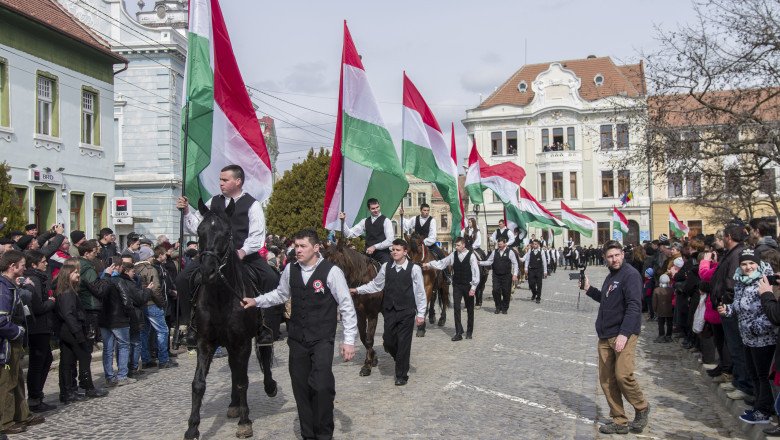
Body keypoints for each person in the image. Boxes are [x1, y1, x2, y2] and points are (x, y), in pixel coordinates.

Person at [242, 229, 356, 440]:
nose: (298, 250)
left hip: (322, 338)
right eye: (296, 246)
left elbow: (347, 306)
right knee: (301, 388)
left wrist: (348, 341)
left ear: (316, 247)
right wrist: (256, 301)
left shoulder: (331, 272)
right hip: (297, 339)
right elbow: (280, 294)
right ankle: (308, 435)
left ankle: (324, 433)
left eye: (303, 246)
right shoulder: (290, 270)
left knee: (322, 387)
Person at [177, 164, 278, 347]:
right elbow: (195, 227)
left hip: (243, 255)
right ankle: (189, 324)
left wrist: (243, 251)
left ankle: (265, 327)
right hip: (213, 254)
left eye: (225, 180)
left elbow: (257, 236)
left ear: (238, 181)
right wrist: (185, 212)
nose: (221, 183)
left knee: (270, 278)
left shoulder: (252, 204)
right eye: (220, 180)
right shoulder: (212, 202)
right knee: (183, 278)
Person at [582, 240, 649, 434]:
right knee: (607, 380)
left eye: (617, 255)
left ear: (622, 254)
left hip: (623, 334)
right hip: (605, 334)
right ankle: (619, 419)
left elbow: (634, 306)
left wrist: (624, 334)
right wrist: (589, 289)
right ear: (605, 258)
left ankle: (642, 407)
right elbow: (606, 298)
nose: (614, 259)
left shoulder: (630, 275)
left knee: (623, 375)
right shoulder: (612, 276)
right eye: (610, 257)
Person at [350, 238, 426, 385]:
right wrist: (357, 289)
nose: (394, 252)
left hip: (406, 311)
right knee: (389, 342)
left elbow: (420, 293)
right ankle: (401, 359)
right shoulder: (386, 267)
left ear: (405, 252)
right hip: (390, 310)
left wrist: (421, 314)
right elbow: (376, 285)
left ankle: (401, 375)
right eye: (392, 250)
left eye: (397, 250)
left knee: (404, 343)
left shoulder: (414, 269)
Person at [717, 248, 776, 424]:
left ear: (758, 264)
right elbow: (738, 306)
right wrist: (727, 310)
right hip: (747, 338)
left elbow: (769, 312)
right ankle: (758, 406)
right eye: (744, 263)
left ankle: (764, 411)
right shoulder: (741, 281)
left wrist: (754, 328)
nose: (748, 267)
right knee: (754, 374)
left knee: (763, 376)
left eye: (751, 263)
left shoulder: (765, 281)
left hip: (763, 339)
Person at [0, 250, 46, 435]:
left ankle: (22, 414)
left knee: (17, 379)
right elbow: (1, 320)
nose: (25, 268)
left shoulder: (10, 285)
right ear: (12, 266)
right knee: (6, 382)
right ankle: (5, 422)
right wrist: (17, 331)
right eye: (22, 265)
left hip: (13, 343)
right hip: (6, 344)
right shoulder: (3, 288)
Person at [53, 259, 108, 404]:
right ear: (68, 275)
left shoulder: (68, 291)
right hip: (71, 330)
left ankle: (67, 392)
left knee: (67, 360)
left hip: (69, 329)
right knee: (84, 356)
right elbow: (68, 314)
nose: (78, 275)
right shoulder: (67, 293)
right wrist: (78, 333)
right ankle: (86, 386)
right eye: (76, 272)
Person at [424, 237, 479, 340]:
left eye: (458, 245)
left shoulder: (471, 256)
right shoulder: (453, 255)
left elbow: (476, 272)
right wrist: (428, 264)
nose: (456, 247)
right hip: (457, 285)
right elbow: (442, 263)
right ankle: (458, 332)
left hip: (468, 285)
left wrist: (473, 287)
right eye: (455, 245)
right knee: (456, 308)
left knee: (470, 309)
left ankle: (469, 331)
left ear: (463, 245)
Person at [22, 251, 56, 413]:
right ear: (34, 264)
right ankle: (34, 398)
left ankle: (37, 396)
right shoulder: (34, 280)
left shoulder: (39, 278)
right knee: (38, 363)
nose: (46, 263)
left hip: (42, 326)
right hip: (37, 327)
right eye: (43, 261)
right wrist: (51, 302)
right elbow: (38, 307)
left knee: (46, 359)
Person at [339, 198, 395, 265]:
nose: (376, 210)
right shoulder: (364, 221)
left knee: (387, 270)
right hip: (367, 254)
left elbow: (390, 240)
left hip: (382, 254)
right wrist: (343, 221)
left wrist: (375, 247)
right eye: (373, 208)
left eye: (377, 207)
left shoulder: (386, 221)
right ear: (369, 209)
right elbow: (349, 234)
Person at [479, 237, 518, 314]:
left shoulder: (510, 252)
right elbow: (489, 262)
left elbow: (515, 263)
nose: (499, 246)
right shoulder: (494, 252)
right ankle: (498, 306)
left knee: (506, 292)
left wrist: (515, 274)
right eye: (498, 244)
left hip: (506, 276)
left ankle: (505, 308)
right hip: (496, 275)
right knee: (495, 291)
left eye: (500, 244)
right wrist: (480, 262)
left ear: (504, 243)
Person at [652, 274, 673, 342]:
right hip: (670, 310)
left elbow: (654, 302)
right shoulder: (671, 290)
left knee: (661, 323)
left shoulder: (656, 290)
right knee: (669, 323)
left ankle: (661, 335)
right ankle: (668, 336)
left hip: (660, 310)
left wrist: (654, 309)